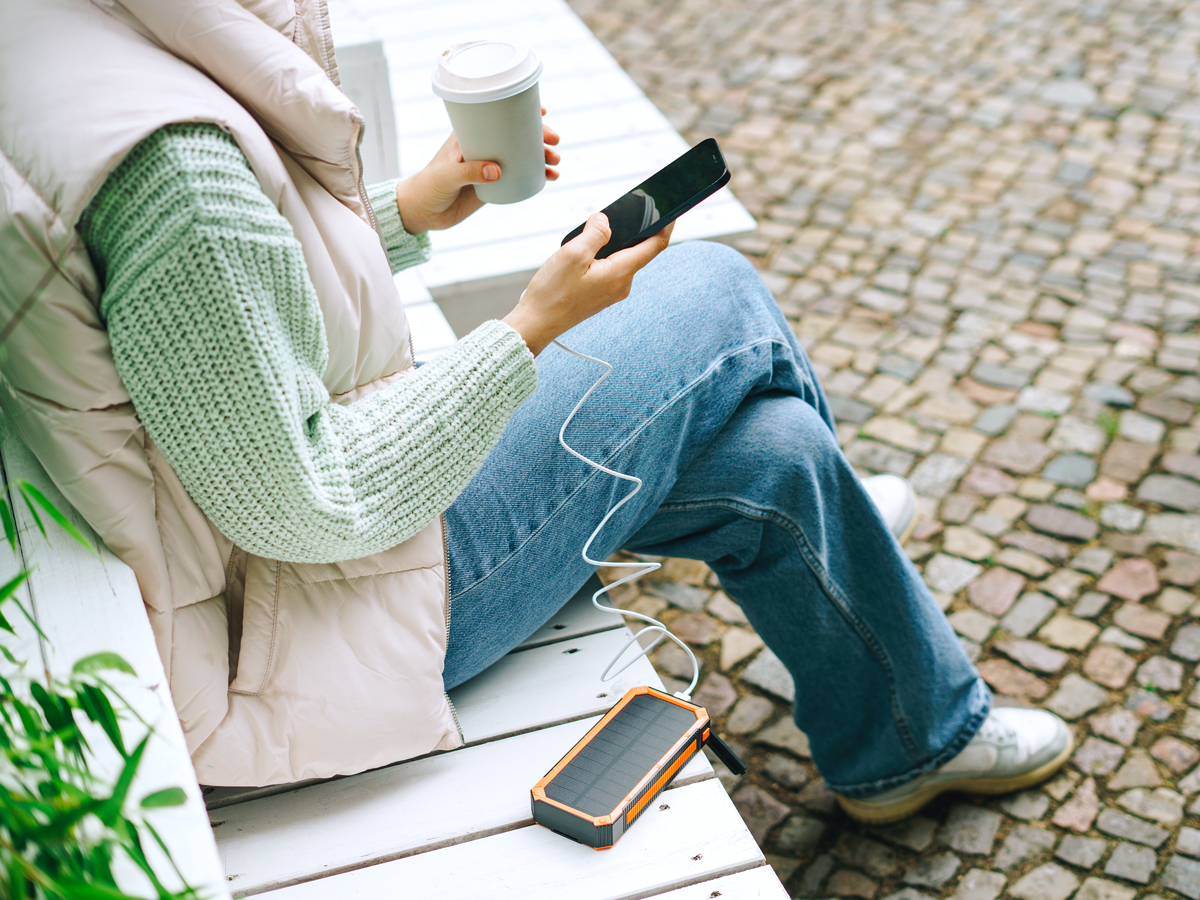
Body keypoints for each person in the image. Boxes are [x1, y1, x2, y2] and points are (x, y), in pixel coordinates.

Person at [0, 0, 1070, 823]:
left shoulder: (68, 40)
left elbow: (219, 330)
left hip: (269, 578)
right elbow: (308, 505)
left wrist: (403, 213)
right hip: (320, 626)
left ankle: (907, 736)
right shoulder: (171, 165)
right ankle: (895, 663)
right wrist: (530, 328)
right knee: (716, 292)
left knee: (775, 456)